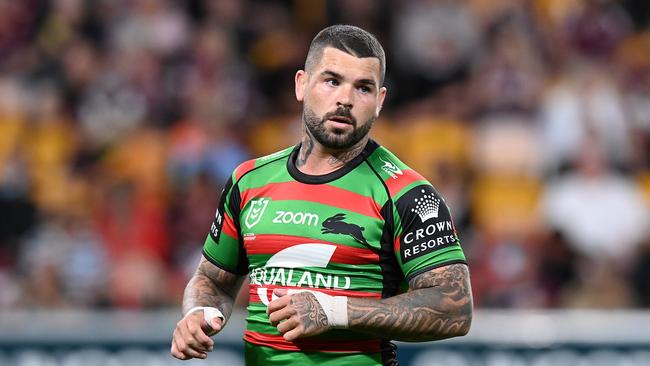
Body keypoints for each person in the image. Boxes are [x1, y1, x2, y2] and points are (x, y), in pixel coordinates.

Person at [171, 24, 473, 365]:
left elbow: (455, 307)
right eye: (332, 81)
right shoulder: (248, 181)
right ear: (302, 84)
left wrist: (334, 310)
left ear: (379, 102)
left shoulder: (406, 194)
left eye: (363, 87)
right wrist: (199, 312)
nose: (345, 99)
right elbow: (213, 279)